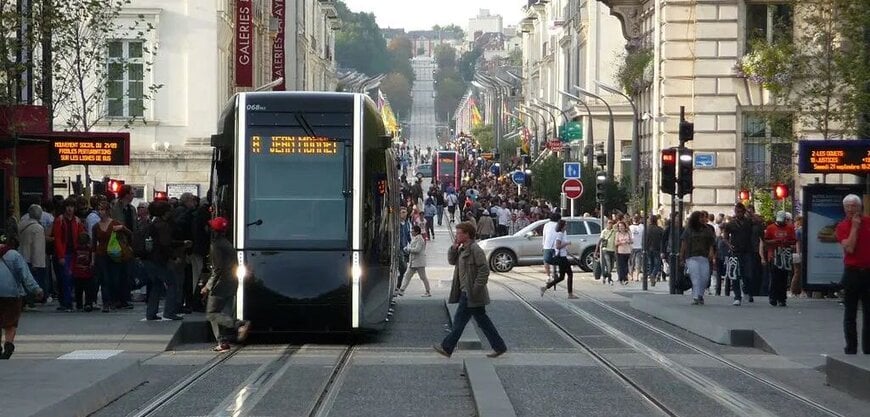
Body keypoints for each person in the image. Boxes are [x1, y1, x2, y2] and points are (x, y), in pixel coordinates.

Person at [434, 222, 506, 358]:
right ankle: (499, 346)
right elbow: (451, 260)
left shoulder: (475, 249)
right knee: (482, 321)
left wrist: (475, 288)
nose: (456, 235)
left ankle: (447, 347)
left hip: (471, 293)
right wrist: (453, 248)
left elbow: (484, 270)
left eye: (459, 233)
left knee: (459, 322)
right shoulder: (462, 249)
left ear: (467, 234)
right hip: (466, 291)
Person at [201, 217, 250, 352]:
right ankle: (222, 342)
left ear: (213, 230)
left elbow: (217, 269)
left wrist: (207, 286)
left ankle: (239, 324)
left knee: (212, 313)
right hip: (231, 282)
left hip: (220, 284)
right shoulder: (227, 243)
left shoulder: (216, 245)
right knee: (222, 314)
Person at [836, 194, 870, 355]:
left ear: (859, 207)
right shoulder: (842, 226)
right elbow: (849, 248)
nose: (850, 209)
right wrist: (855, 228)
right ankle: (851, 347)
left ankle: (868, 347)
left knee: (869, 313)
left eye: (853, 206)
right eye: (848, 206)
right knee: (850, 313)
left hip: (868, 272)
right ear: (844, 208)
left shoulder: (869, 223)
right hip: (852, 273)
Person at [0, 241, 43, 359]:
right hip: (12, 293)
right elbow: (25, 275)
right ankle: (8, 345)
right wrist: (36, 289)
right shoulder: (14, 255)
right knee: (11, 321)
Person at [680, 211, 716, 305]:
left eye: (704, 217)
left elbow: (711, 242)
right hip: (691, 256)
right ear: (696, 218)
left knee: (705, 277)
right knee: (696, 277)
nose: (703, 219)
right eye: (701, 217)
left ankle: (700, 294)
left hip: (704, 256)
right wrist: (681, 256)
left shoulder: (707, 229)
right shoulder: (689, 229)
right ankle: (696, 297)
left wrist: (711, 252)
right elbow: (684, 243)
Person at [722, 203, 755, 306]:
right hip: (735, 251)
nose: (738, 214)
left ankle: (746, 290)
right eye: (737, 211)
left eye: (740, 211)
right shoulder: (730, 224)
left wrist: (750, 213)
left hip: (747, 250)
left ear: (744, 212)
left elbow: (759, 221)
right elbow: (725, 237)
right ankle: (737, 296)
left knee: (748, 274)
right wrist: (729, 245)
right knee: (735, 274)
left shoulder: (748, 222)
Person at [763, 211, 796, 307]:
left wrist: (788, 242)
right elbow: (766, 241)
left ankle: (782, 298)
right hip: (774, 255)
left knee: (784, 277)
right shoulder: (770, 228)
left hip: (785, 256)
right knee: (774, 278)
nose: (781, 223)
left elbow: (793, 240)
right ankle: (773, 297)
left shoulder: (790, 228)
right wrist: (774, 241)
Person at [540, 220, 576, 298]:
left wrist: (567, 251)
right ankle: (570, 294)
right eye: (565, 225)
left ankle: (545, 288)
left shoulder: (562, 234)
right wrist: (567, 243)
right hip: (562, 258)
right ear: (562, 226)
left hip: (563, 256)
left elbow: (561, 247)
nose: (567, 226)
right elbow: (557, 246)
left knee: (561, 277)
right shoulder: (560, 234)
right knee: (570, 274)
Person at [398, 225, 431, 297]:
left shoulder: (420, 239)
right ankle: (401, 290)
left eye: (412, 231)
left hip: (419, 262)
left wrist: (408, 249)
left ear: (416, 232)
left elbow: (417, 250)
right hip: (414, 262)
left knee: (423, 277)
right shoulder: (415, 238)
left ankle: (428, 291)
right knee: (407, 276)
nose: (411, 232)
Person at [72, 232, 96, 311]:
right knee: (87, 290)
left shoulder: (77, 249)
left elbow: (74, 261)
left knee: (79, 290)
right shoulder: (89, 249)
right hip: (85, 273)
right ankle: (87, 304)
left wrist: (72, 270)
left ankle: (82, 304)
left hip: (81, 273)